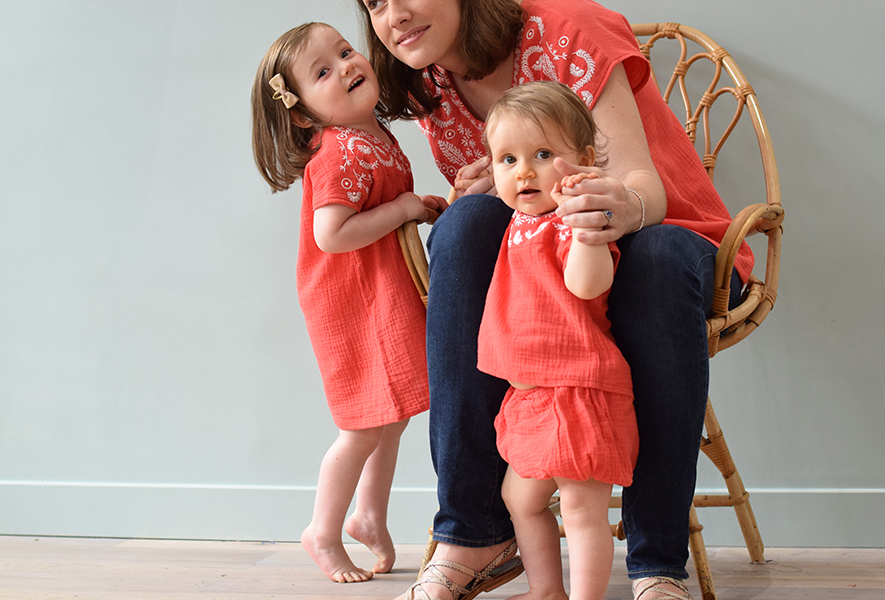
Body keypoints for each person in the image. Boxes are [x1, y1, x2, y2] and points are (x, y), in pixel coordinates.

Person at [355, 1, 753, 599]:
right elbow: (513, 207)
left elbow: (643, 186)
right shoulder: (431, 80)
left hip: (673, 243)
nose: (394, 14)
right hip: (553, 284)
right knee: (464, 226)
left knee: (655, 259)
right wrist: (503, 179)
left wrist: (608, 210)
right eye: (373, 1)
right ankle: (474, 532)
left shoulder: (565, 29)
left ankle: (657, 563)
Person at [250, 22, 446, 584]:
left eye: (343, 51)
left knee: (393, 415)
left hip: (381, 293)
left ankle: (368, 515)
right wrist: (406, 207)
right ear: (303, 115)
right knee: (362, 426)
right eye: (321, 71)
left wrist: (417, 205)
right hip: (354, 305)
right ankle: (323, 530)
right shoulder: (341, 150)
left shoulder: (373, 134)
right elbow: (331, 234)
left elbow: (381, 211)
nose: (344, 65)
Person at [478, 81, 639, 600]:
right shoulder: (518, 221)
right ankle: (547, 591)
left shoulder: (572, 224)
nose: (523, 171)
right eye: (507, 159)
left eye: (543, 155)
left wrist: (589, 228)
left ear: (584, 163)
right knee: (518, 498)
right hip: (530, 396)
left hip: (576, 389)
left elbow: (588, 285)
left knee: (581, 507)